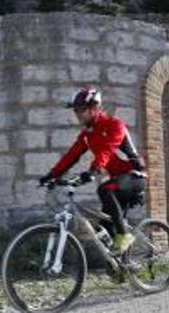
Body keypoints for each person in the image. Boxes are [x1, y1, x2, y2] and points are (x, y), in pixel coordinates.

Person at [38, 87, 147, 253]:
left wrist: (93, 171)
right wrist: (51, 175)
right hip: (118, 181)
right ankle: (120, 268)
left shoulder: (115, 125)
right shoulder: (87, 136)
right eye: (76, 111)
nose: (78, 114)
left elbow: (106, 150)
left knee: (105, 189)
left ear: (94, 108)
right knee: (103, 231)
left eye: (82, 110)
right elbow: (70, 157)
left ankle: (124, 236)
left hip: (134, 177)